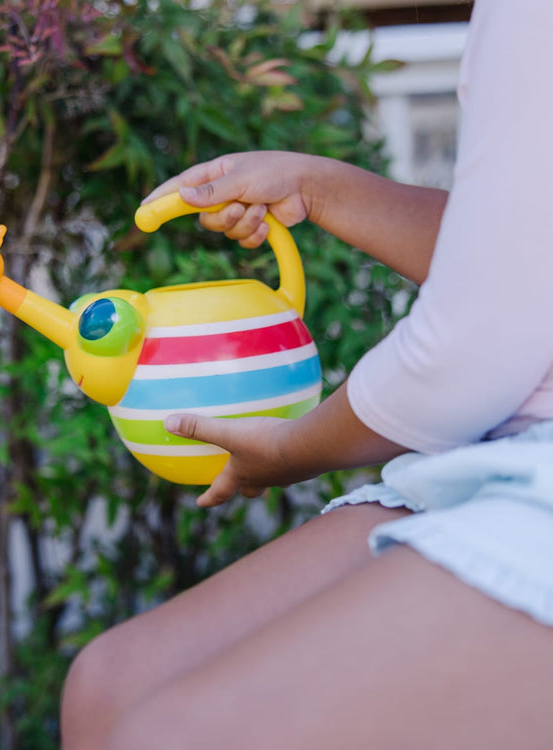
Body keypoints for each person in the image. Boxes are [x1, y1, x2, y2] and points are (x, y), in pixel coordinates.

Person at [60, 2, 553, 747]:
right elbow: (520, 258)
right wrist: (318, 187)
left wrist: (294, 450)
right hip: (509, 454)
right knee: (110, 684)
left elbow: (474, 345)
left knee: (172, 734)